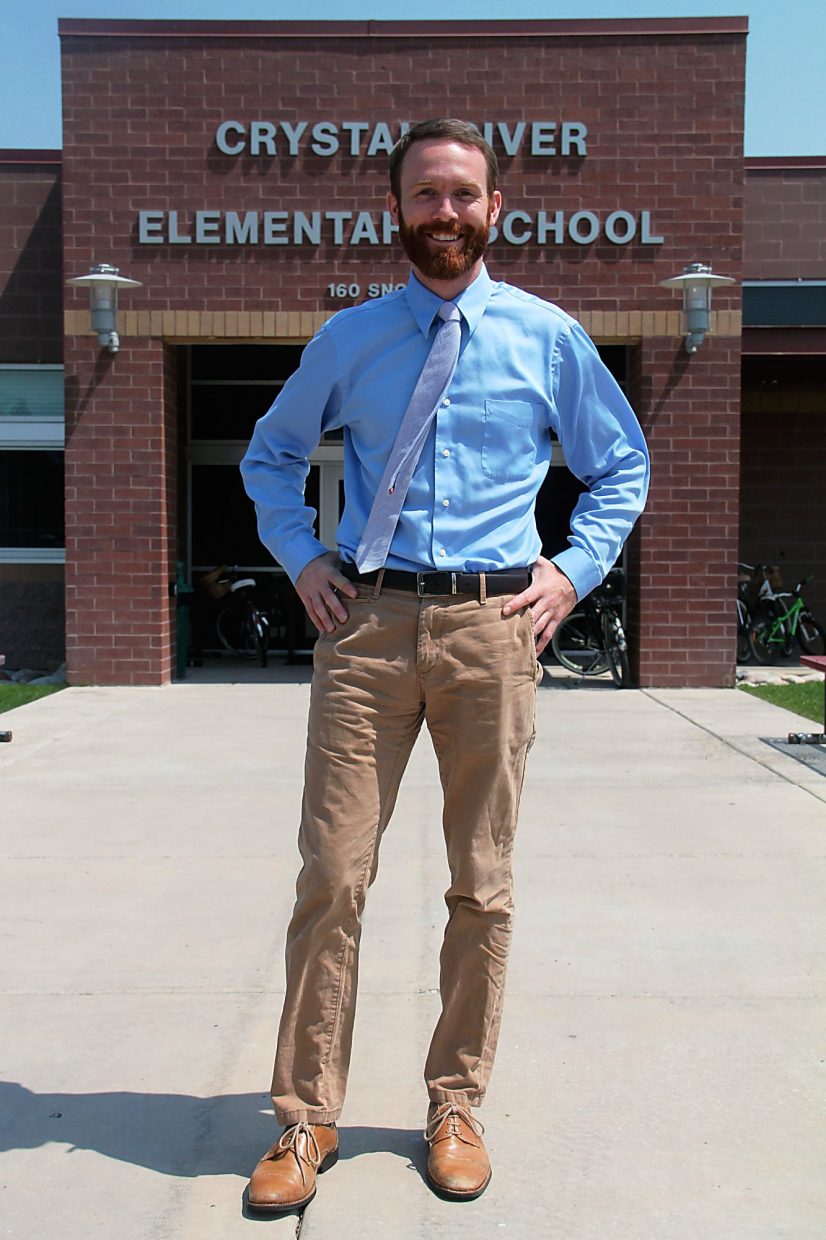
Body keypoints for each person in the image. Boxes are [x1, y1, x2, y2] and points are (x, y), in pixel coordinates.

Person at [240, 117, 649, 1211]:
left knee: (482, 883)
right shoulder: (350, 339)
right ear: (396, 210)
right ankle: (305, 1116)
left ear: (495, 208)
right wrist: (301, 558)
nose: (445, 212)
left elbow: (620, 468)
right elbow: (270, 455)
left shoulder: (548, 336)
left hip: (490, 628)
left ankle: (455, 1100)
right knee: (333, 874)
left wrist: (569, 572)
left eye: (463, 194)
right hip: (367, 627)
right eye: (426, 194)